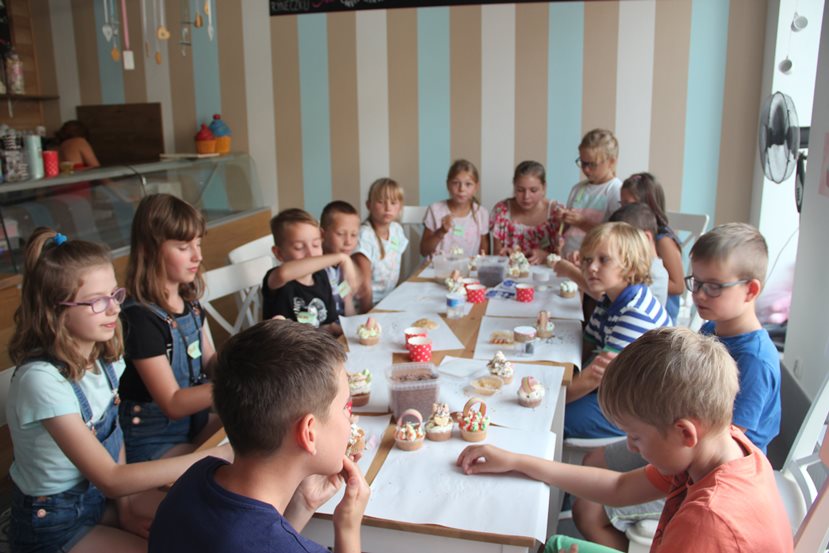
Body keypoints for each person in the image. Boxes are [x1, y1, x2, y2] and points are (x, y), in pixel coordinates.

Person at [458, 327, 793, 553]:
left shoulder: (708, 521)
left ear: (684, 432)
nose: (631, 447)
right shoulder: (720, 444)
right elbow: (618, 487)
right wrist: (516, 461)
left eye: (636, 436)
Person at [6, 228, 230, 553]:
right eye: (98, 301)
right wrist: (213, 456)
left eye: (114, 295)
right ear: (55, 310)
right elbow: (110, 477)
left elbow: (115, 434)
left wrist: (126, 509)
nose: (114, 309)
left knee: (199, 528)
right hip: (53, 525)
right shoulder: (41, 381)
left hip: (99, 501)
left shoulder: (105, 359)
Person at [574, 223, 782, 549]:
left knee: (587, 509)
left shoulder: (755, 361)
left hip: (702, 465)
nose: (698, 294)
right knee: (595, 460)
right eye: (696, 282)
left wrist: (656, 453)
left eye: (713, 287)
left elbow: (721, 434)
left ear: (750, 290)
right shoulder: (712, 327)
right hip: (678, 439)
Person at [149, 319, 371, 553]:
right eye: (345, 408)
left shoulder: (194, 478)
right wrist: (348, 529)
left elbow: (259, 537)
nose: (350, 419)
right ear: (309, 433)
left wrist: (305, 503)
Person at [119, 194, 221, 463]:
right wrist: (239, 384)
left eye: (198, 244)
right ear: (150, 250)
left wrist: (254, 349)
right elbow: (173, 403)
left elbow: (210, 362)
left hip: (195, 426)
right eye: (184, 247)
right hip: (154, 443)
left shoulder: (190, 302)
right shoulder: (140, 318)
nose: (198, 256)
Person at [564, 222, 671, 439]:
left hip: (638, 408)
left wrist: (551, 401)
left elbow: (593, 377)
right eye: (587, 260)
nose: (591, 268)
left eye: (603, 260)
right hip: (615, 389)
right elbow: (586, 344)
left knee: (552, 417)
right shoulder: (609, 298)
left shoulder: (635, 312)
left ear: (630, 266)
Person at [550, 204, 669, 309]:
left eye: (604, 259)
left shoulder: (655, 274)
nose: (592, 267)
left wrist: (570, 271)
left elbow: (601, 295)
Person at [262, 208, 357, 334]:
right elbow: (283, 273)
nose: (311, 254)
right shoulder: (277, 280)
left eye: (316, 244)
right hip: (283, 345)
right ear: (279, 253)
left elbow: (326, 326)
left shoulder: (322, 276)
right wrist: (342, 258)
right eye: (299, 247)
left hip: (315, 344)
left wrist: (349, 333)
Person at [620, 172, 684, 323]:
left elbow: (678, 286)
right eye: (621, 204)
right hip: (637, 304)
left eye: (628, 204)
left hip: (659, 314)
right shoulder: (631, 236)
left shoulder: (663, 241)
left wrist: (636, 280)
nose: (622, 209)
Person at [559, 129, 622, 258]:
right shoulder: (577, 189)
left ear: (611, 162)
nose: (586, 169)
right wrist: (564, 218)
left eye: (592, 164)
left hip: (594, 262)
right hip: (569, 256)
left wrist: (583, 223)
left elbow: (616, 235)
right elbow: (567, 228)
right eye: (583, 163)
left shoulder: (615, 190)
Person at [489, 160, 562, 263]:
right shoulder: (501, 211)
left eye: (533, 190)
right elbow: (496, 252)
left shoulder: (556, 212)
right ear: (514, 186)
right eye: (520, 190)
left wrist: (546, 256)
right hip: (511, 271)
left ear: (544, 187)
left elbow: (564, 256)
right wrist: (504, 255)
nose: (526, 197)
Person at [352, 177, 408, 311]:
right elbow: (364, 286)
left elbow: (394, 268)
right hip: (367, 304)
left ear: (400, 206)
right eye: (381, 202)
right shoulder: (364, 235)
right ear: (369, 205)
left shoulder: (396, 230)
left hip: (388, 299)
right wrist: (369, 314)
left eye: (393, 202)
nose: (388, 208)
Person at [420, 159, 490, 257]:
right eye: (456, 183)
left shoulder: (481, 213)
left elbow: (484, 253)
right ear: (448, 185)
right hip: (439, 266)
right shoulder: (435, 210)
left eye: (468, 184)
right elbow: (424, 251)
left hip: (469, 267)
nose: (461, 189)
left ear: (476, 187)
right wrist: (441, 232)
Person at [320, 200, 362, 317]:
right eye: (340, 234)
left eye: (354, 235)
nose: (348, 241)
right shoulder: (315, 267)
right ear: (322, 234)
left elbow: (348, 304)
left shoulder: (345, 266)